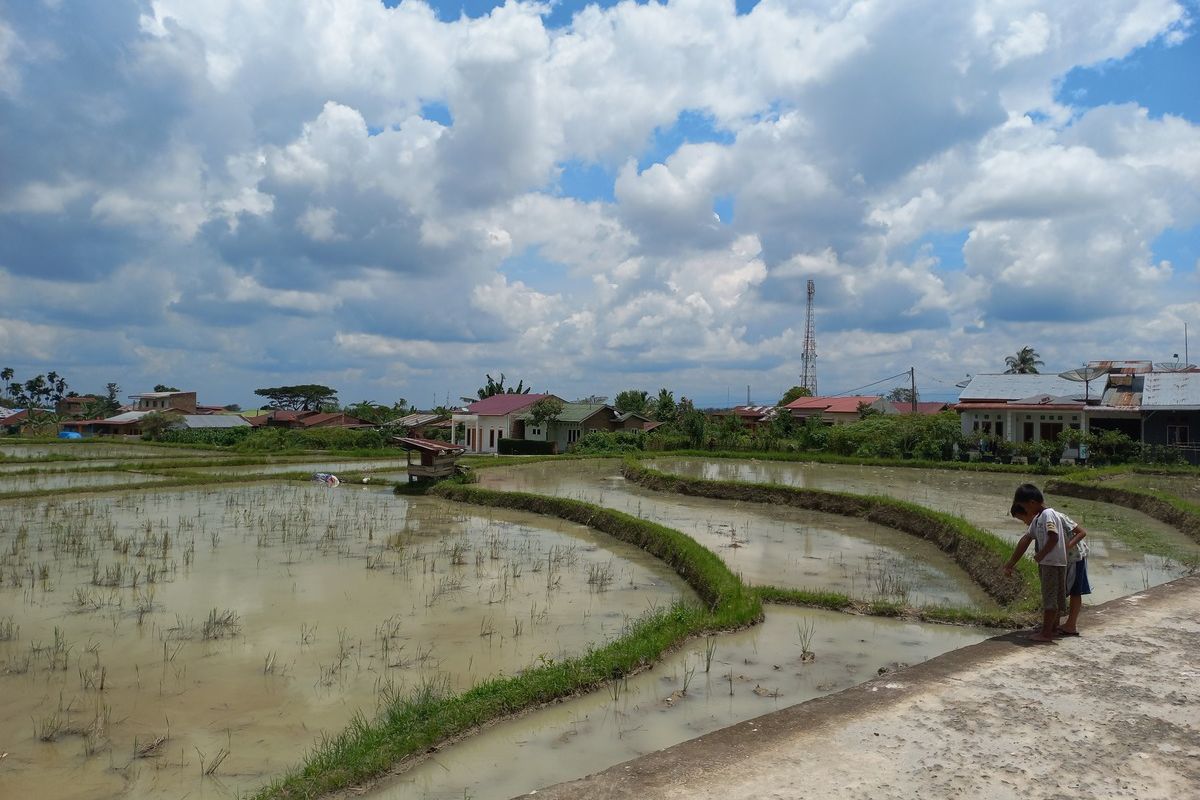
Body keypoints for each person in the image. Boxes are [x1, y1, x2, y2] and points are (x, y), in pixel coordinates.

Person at [1003, 483, 1068, 643]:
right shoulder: (1039, 518)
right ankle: (1052, 628)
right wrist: (1011, 562)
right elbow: (1025, 539)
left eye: (1023, 507)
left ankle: (1046, 634)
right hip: (1054, 562)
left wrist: (1041, 555)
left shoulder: (1048, 515)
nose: (1025, 512)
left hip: (1050, 562)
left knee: (1049, 597)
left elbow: (1054, 537)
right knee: (1055, 596)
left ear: (1032, 503)